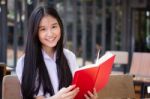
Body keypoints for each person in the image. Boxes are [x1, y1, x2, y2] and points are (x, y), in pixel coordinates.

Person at [16, 4, 98, 99]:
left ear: (60, 27)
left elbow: (76, 91)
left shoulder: (69, 57)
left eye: (54, 27)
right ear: (35, 33)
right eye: (43, 29)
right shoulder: (25, 62)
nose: (50, 34)